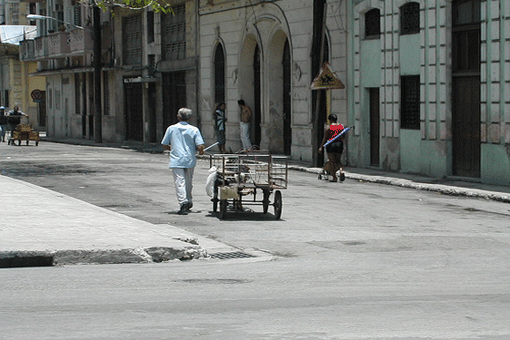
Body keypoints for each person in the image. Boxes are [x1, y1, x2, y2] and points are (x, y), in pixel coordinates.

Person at [161, 108, 205, 215]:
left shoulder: (171, 128)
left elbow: (165, 144)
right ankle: (188, 200)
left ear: (178, 117)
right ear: (190, 118)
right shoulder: (194, 130)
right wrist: (201, 152)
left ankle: (183, 202)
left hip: (176, 159)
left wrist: (172, 149)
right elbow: (200, 146)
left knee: (179, 181)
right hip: (189, 159)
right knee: (189, 181)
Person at [318, 114, 346, 182]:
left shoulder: (329, 127)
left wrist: (321, 147)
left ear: (330, 120)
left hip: (331, 145)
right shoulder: (341, 126)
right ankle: (341, 171)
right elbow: (343, 137)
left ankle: (334, 177)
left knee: (332, 162)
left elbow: (325, 138)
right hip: (339, 144)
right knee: (338, 160)